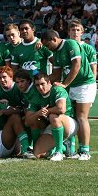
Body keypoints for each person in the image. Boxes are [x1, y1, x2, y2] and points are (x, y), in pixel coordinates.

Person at [41, 30, 96, 160]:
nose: (47, 48)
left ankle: (85, 151)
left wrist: (65, 84)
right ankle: (70, 148)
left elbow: (77, 65)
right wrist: (42, 81)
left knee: (82, 117)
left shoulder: (70, 44)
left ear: (54, 39)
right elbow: (56, 73)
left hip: (84, 83)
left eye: (48, 45)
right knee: (70, 116)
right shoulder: (56, 52)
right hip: (71, 86)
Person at [25, 73, 78, 161]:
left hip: (69, 123)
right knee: (37, 153)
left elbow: (61, 109)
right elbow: (27, 121)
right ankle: (65, 147)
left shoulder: (57, 89)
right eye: (37, 85)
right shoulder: (35, 96)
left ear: (49, 82)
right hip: (52, 125)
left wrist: (48, 110)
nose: (40, 87)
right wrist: (38, 113)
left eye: (42, 84)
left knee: (53, 116)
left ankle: (59, 151)